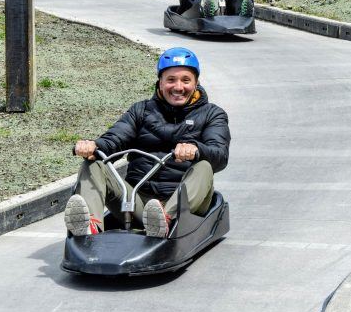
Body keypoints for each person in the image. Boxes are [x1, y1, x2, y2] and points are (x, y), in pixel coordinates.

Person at [64, 47, 230, 238]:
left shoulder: (212, 114)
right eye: (170, 80)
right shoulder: (141, 111)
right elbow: (116, 136)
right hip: (139, 202)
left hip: (184, 203)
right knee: (94, 164)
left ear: (196, 83)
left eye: (186, 80)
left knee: (205, 166)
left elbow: (220, 155)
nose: (178, 87)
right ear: (160, 82)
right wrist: (95, 146)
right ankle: (89, 228)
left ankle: (165, 221)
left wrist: (196, 150)